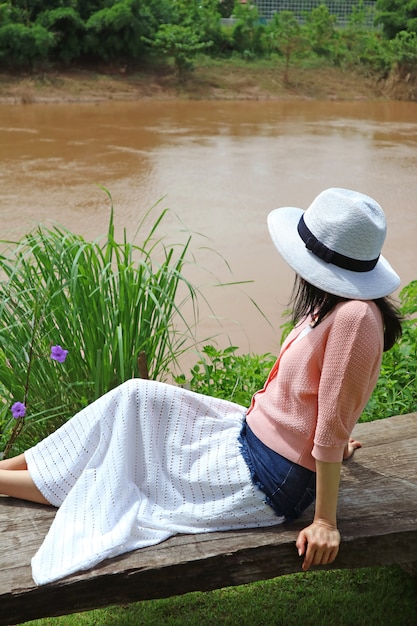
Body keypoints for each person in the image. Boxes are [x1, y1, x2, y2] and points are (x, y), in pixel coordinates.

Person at [0, 188, 402, 586]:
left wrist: (324, 521)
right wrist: (329, 447)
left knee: (129, 474)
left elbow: (332, 418)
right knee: (136, 396)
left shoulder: (354, 318)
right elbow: (325, 402)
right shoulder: (336, 302)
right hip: (250, 435)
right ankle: (6, 468)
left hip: (268, 476)